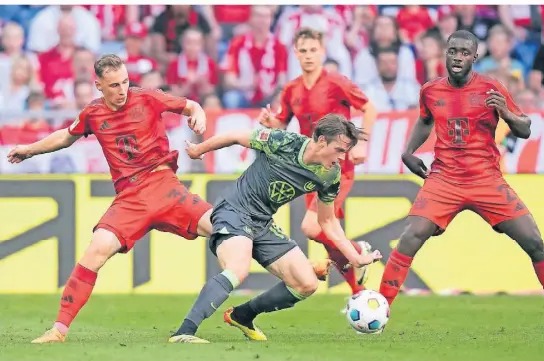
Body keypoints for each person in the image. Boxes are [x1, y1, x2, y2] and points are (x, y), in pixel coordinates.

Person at [378, 30, 544, 334]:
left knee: (534, 242)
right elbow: (424, 120)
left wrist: (507, 114)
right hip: (444, 178)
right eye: (452, 51)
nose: (457, 57)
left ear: (474, 57)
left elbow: (525, 129)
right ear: (446, 53)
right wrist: (407, 151)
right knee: (410, 236)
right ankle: (378, 312)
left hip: (486, 179)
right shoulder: (431, 90)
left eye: (464, 53)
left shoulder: (491, 88)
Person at [7, 54, 215, 343]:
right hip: (130, 197)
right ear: (99, 86)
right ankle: (59, 330)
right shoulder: (93, 114)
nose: (122, 90)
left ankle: (267, 292)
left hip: (164, 185)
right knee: (97, 249)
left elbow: (190, 105)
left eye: (126, 82)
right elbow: (65, 137)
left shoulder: (147, 98)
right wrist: (29, 149)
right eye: (114, 85)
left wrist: (199, 114)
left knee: (224, 229)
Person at [168, 114, 383, 343]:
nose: (342, 157)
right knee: (238, 269)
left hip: (262, 222)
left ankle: (243, 315)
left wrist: (355, 257)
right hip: (234, 210)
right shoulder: (284, 142)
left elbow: (327, 221)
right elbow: (236, 136)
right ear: (321, 141)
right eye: (339, 150)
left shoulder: (330, 175)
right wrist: (199, 149)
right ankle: (184, 331)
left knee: (306, 283)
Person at [259, 28, 378, 296]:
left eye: (313, 50)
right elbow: (282, 122)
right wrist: (271, 123)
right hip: (309, 171)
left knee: (313, 227)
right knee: (328, 238)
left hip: (338, 169)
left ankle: (358, 251)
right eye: (303, 50)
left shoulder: (337, 82)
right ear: (296, 54)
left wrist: (363, 144)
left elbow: (369, 108)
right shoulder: (291, 89)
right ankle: (357, 291)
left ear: (322, 52)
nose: (309, 56)